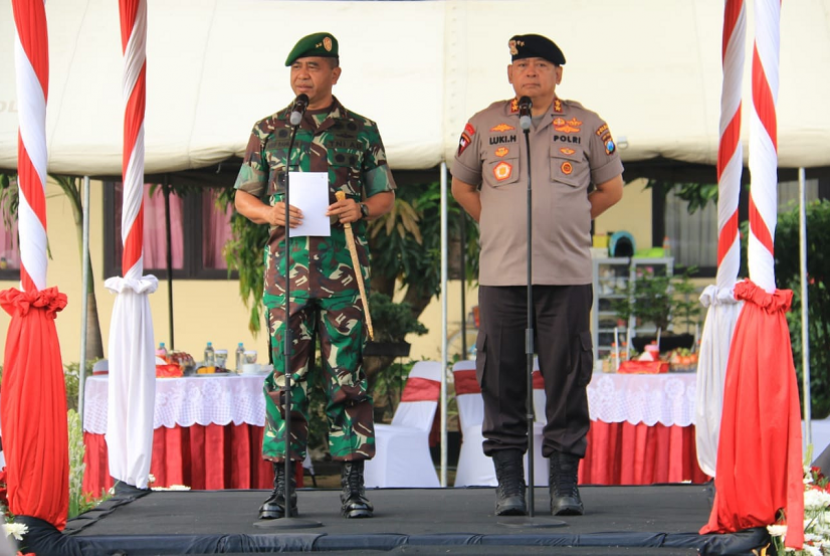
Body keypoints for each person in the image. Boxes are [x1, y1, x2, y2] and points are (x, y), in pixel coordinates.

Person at [451, 34, 624, 517]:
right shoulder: (485, 123)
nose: (531, 72)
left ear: (558, 75)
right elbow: (462, 185)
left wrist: (570, 218)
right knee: (501, 376)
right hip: (502, 275)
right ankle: (509, 484)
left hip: (565, 273)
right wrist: (495, 221)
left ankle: (564, 483)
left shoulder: (588, 124)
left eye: (542, 65)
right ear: (510, 74)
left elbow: (611, 188)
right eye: (522, 64)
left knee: (568, 377)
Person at [234, 32, 396, 520]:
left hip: (343, 273)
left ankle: (352, 485)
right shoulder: (269, 129)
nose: (303, 75)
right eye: (297, 67)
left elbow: (385, 195)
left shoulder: (361, 130)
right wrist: (269, 213)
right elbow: (244, 196)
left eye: (314, 66)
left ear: (335, 73)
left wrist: (359, 206)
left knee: (348, 378)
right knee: (286, 379)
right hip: (286, 276)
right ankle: (285, 487)